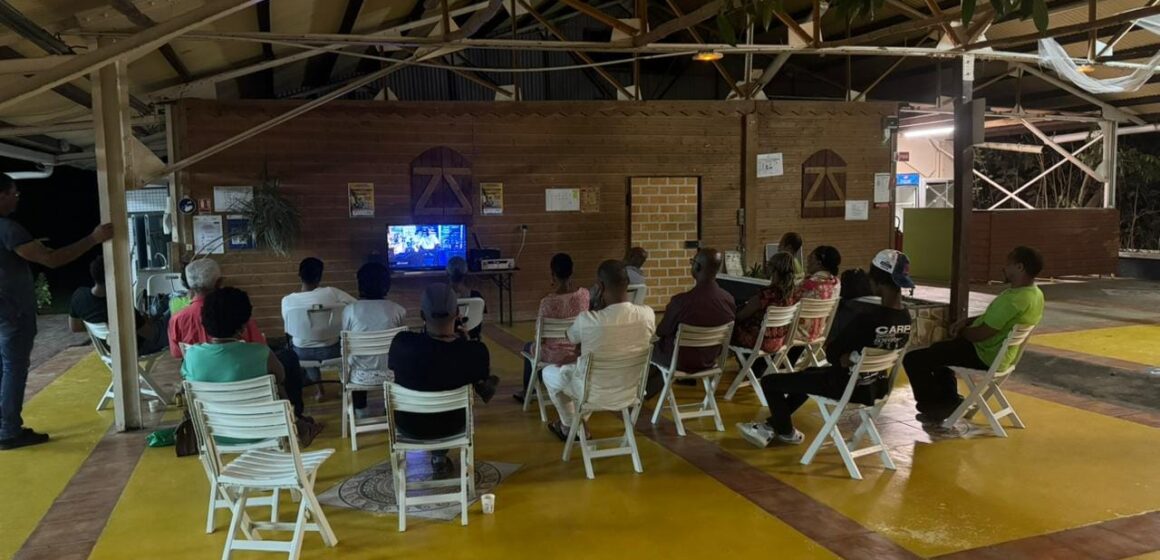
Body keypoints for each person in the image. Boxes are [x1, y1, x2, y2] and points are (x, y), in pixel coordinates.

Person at [738, 250, 915, 447]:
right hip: (874, 388)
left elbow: (832, 355)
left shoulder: (867, 319)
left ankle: (785, 431)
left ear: (875, 281)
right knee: (809, 374)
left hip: (845, 386)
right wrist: (848, 357)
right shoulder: (906, 319)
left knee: (771, 382)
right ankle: (774, 425)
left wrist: (845, 356)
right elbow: (845, 357)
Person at [0, 176, 113, 450]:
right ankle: (8, 431)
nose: (18, 197)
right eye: (14, 193)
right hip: (13, 312)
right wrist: (93, 238)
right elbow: (52, 259)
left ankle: (5, 426)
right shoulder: (8, 229)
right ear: (1, 195)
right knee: (14, 369)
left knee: (4, 369)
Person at [904, 246, 1045, 426]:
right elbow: (992, 319)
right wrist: (966, 322)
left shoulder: (1013, 300)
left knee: (914, 359)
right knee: (940, 351)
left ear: (1019, 267)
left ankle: (931, 406)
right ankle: (950, 401)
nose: (1004, 267)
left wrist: (961, 332)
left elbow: (980, 335)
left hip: (984, 354)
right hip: (1004, 356)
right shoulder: (1035, 294)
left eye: (1008, 264)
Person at [168, 258, 313, 421]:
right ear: (219, 282)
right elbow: (264, 352)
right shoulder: (237, 316)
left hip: (212, 416)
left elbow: (176, 354)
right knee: (287, 357)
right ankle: (295, 416)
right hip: (255, 410)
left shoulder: (179, 322)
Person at [182, 287, 323, 446]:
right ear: (243, 325)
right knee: (281, 375)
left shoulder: (192, 356)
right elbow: (281, 377)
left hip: (214, 434)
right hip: (266, 430)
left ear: (205, 323)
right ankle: (297, 423)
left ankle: (299, 424)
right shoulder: (261, 353)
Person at [388, 283, 498, 474]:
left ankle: (437, 456)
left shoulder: (401, 343)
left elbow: (427, 355)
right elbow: (486, 394)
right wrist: (464, 341)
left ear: (422, 315)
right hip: (453, 426)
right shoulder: (474, 351)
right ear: (457, 313)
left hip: (409, 426)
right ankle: (439, 455)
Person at [542, 260, 656, 441]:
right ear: (627, 284)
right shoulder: (648, 314)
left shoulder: (588, 320)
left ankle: (570, 425)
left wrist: (597, 307)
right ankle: (575, 423)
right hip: (630, 389)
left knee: (549, 373)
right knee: (578, 373)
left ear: (600, 286)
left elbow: (570, 336)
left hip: (592, 391)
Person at [652, 249, 735, 388]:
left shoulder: (681, 302)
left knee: (648, 349)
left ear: (697, 267)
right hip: (709, 360)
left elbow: (661, 331)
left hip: (678, 361)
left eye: (693, 262)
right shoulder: (729, 300)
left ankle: (648, 395)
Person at [514, 253, 589, 403]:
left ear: (553, 275)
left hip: (555, 354)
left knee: (529, 346)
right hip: (578, 351)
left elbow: (539, 336)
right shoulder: (584, 295)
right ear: (572, 272)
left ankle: (529, 391)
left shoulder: (547, 302)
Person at [342, 262, 406, 417]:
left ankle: (360, 409)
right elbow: (402, 343)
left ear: (360, 285)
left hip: (359, 377)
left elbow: (344, 343)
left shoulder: (350, 310)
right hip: (392, 375)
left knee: (354, 359)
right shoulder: (398, 310)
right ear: (387, 285)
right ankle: (389, 406)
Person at [68, 255, 168, 355]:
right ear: (113, 278)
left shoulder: (79, 296)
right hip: (136, 348)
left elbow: (75, 327)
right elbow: (152, 335)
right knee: (176, 311)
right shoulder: (120, 307)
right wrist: (145, 321)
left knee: (164, 304)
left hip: (111, 349)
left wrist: (106, 330)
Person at [281, 257, 355, 381]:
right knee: (344, 344)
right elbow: (356, 305)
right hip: (332, 351)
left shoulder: (287, 301)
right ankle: (344, 383)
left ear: (299, 275)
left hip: (301, 354)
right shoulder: (332, 293)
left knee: (301, 339)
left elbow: (289, 327)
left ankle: (319, 390)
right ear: (319, 277)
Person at [732, 252, 799, 355]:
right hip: (780, 341)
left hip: (761, 342)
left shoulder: (766, 295)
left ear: (774, 269)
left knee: (727, 329)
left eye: (769, 264)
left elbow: (741, 316)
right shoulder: (792, 296)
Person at [793, 245, 842, 345]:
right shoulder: (836, 283)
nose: (807, 263)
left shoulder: (808, 284)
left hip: (797, 333)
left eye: (810, 259)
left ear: (819, 263)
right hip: (819, 332)